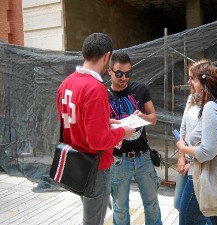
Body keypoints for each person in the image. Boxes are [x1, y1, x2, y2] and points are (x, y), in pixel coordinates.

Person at [56, 33, 135, 225]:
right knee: (94, 221)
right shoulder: (95, 88)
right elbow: (97, 141)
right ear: (107, 56)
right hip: (96, 166)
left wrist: (104, 122)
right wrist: (123, 131)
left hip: (78, 161)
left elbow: (74, 120)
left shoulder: (66, 83)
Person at [176, 60, 217, 225]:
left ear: (206, 83)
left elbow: (207, 151)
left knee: (187, 220)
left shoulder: (211, 106)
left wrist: (183, 148)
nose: (191, 83)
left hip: (204, 176)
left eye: (195, 80)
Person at [107, 51, 162, 225]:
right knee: (120, 207)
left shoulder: (140, 89)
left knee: (152, 204)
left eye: (128, 73)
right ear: (109, 71)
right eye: (119, 74)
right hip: (118, 159)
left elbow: (153, 118)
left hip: (143, 157)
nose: (124, 78)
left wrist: (141, 116)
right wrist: (108, 123)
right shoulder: (102, 94)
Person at [174, 59, 209, 211]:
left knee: (195, 210)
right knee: (178, 204)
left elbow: (208, 143)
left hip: (200, 165)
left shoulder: (212, 105)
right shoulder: (191, 98)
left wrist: (191, 163)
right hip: (187, 160)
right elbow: (183, 129)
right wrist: (181, 157)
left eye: (192, 79)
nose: (189, 82)